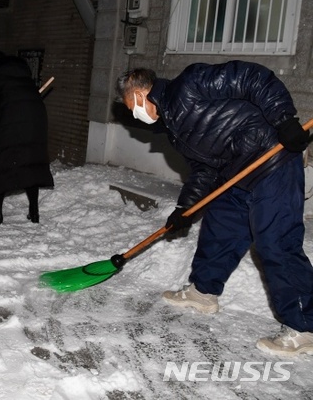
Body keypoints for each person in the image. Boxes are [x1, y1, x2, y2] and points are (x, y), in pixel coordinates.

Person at [115, 61, 313, 356]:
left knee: (276, 243)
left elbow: (252, 78)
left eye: (130, 105)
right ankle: (203, 292)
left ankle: (305, 327)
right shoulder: (174, 128)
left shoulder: (191, 83)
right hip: (236, 174)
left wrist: (284, 119)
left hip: (272, 160)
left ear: (139, 92)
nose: (133, 112)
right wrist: (185, 208)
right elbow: (203, 170)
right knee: (219, 229)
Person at [0, 50, 53, 224]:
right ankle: (34, 212)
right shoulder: (23, 76)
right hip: (35, 123)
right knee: (30, 164)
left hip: (10, 123)